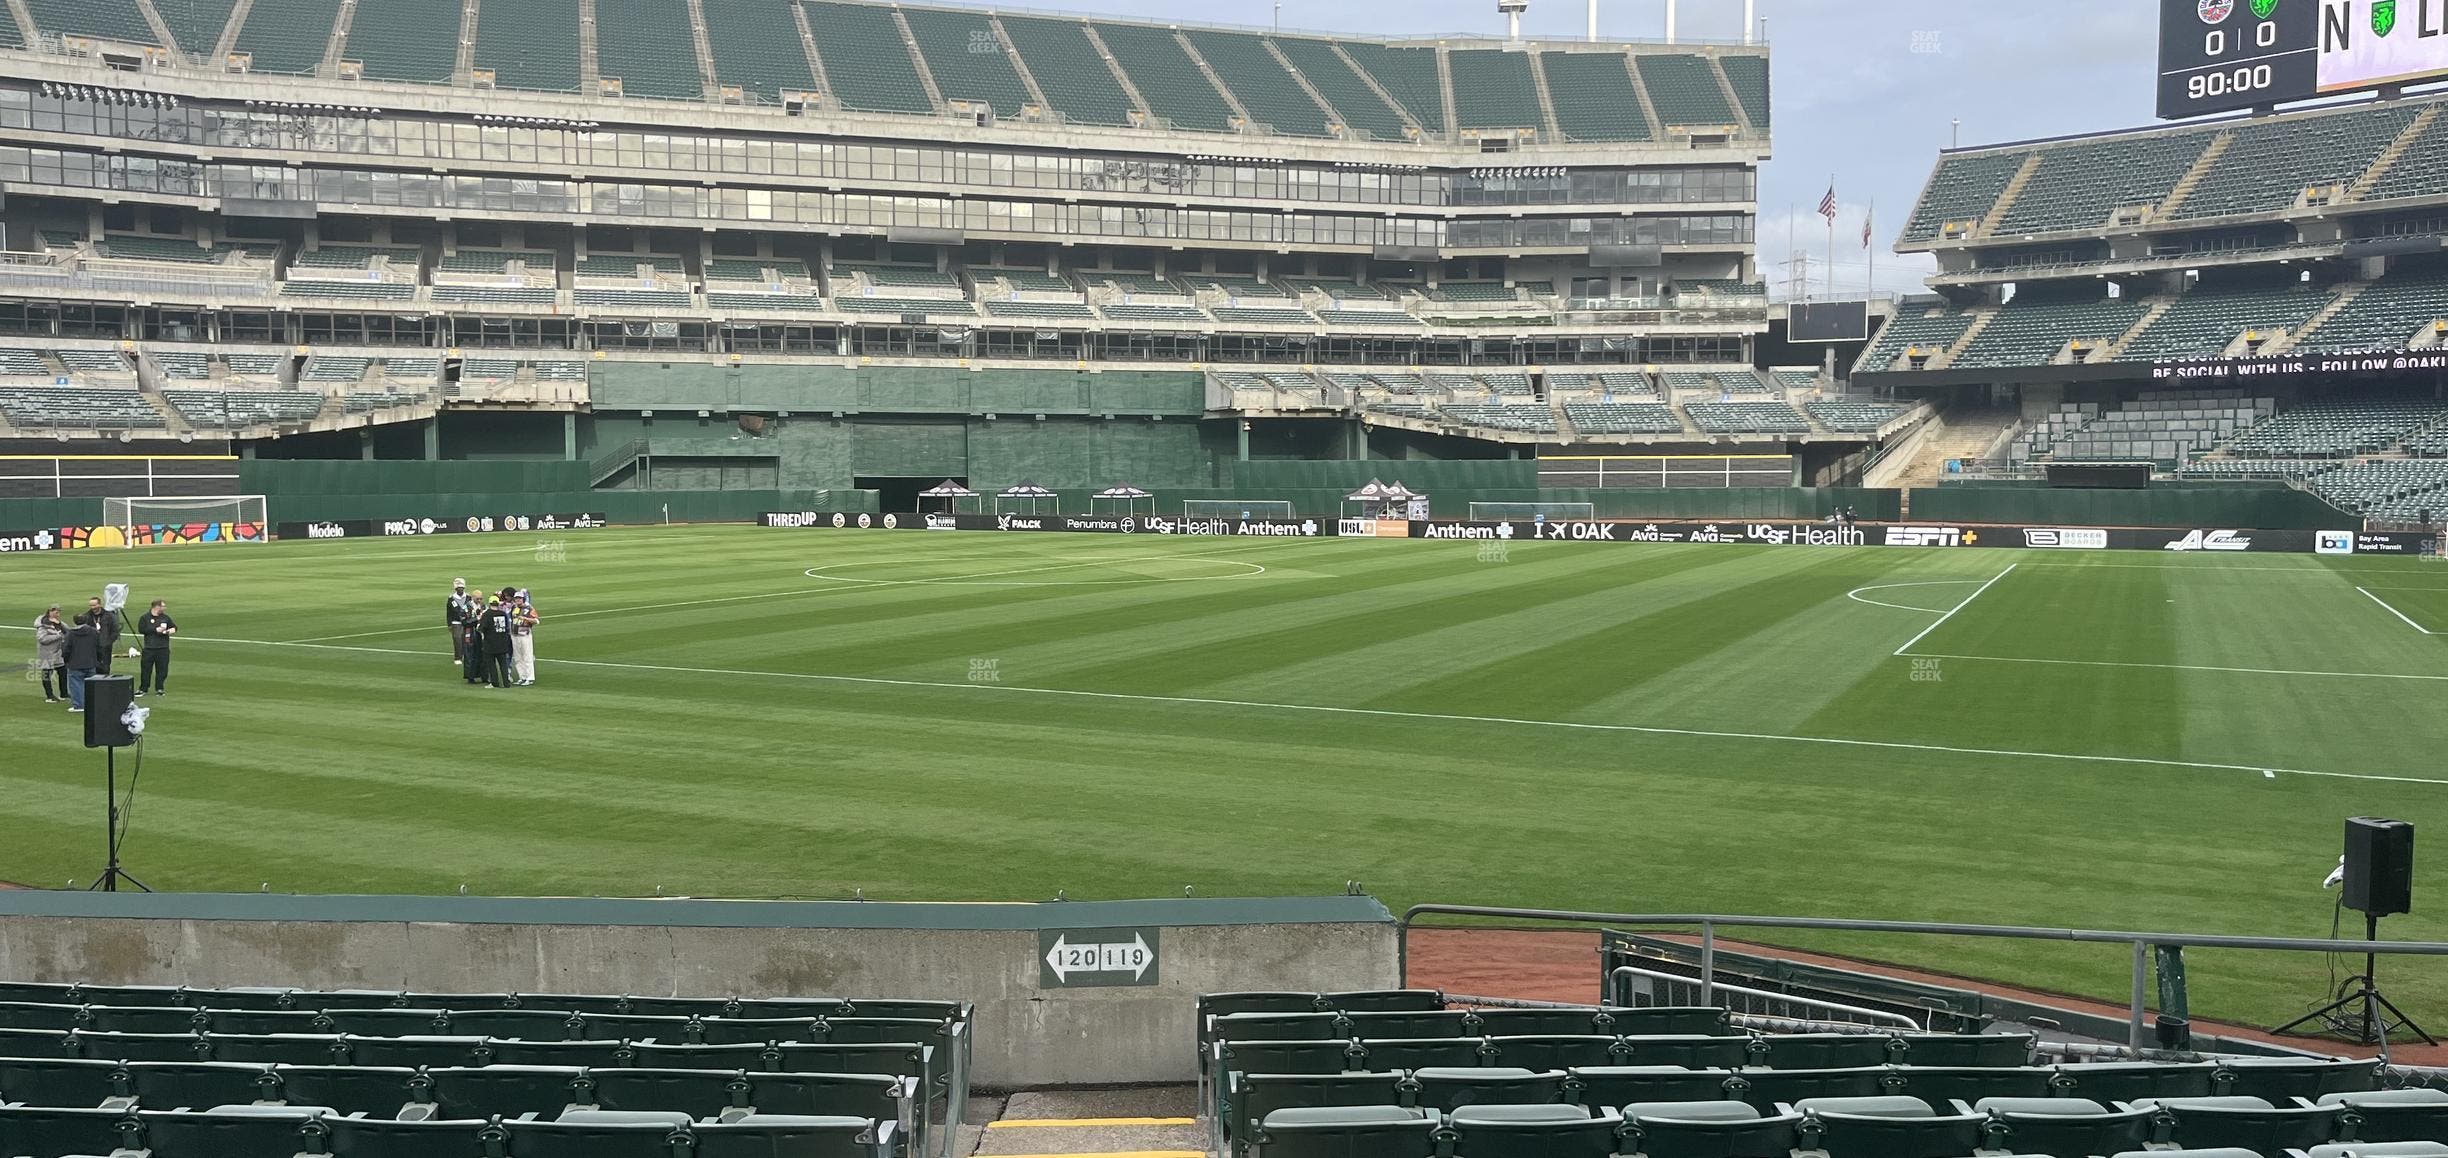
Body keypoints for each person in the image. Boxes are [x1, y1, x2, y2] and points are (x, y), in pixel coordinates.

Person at [61, 611, 102, 714]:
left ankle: (79, 705)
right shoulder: (93, 632)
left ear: (75, 622)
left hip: (75, 663)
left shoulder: (71, 634)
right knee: (90, 685)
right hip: (90, 662)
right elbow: (99, 647)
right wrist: (97, 659)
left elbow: (66, 649)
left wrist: (66, 660)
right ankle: (91, 704)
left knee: (76, 685)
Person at [134, 598, 176, 697]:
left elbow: (174, 627)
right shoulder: (145, 617)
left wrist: (168, 631)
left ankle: (160, 688)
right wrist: (155, 630)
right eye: (163, 606)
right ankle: (143, 688)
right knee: (146, 670)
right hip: (149, 648)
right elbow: (141, 629)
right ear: (157, 607)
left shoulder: (165, 618)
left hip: (163, 648)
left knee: (162, 670)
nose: (165, 608)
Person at [477, 596, 514, 689]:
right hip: (502, 642)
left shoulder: (487, 614)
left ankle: (494, 683)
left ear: (490, 604)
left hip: (490, 643)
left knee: (491, 665)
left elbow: (482, 628)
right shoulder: (503, 613)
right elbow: (507, 627)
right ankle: (506, 683)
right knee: (503, 664)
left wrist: (478, 624)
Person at [33, 605, 66, 704]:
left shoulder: (58, 622)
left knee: (63, 672)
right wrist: (58, 636)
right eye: (56, 612)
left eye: (59, 612)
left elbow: (68, 632)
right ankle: (49, 696)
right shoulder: (42, 625)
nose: (58, 615)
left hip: (58, 653)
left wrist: (60, 624)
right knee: (47, 675)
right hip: (47, 654)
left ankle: (64, 693)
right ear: (50, 612)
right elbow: (42, 639)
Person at [86, 596, 121, 676]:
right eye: (91, 605)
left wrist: (109, 642)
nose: (93, 607)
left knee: (105, 667)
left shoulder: (109, 616)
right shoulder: (87, 617)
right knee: (92, 668)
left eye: (94, 605)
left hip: (105, 647)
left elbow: (115, 630)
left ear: (99, 604)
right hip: (92, 647)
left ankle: (105, 686)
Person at [509, 589, 538, 687]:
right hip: (515, 634)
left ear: (523, 599)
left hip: (525, 635)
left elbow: (536, 620)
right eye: (516, 598)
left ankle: (529, 677)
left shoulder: (529, 608)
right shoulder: (513, 608)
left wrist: (525, 618)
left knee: (527, 656)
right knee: (517, 657)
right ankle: (522, 677)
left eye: (519, 598)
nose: (518, 600)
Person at [445, 579, 474, 671]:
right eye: (458, 588)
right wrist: (449, 624)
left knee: (466, 640)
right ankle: (458, 657)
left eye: (462, 588)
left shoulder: (468, 597)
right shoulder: (451, 599)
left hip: (467, 622)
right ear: (456, 589)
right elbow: (449, 613)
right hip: (456, 622)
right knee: (457, 639)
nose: (460, 590)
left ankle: (467, 655)